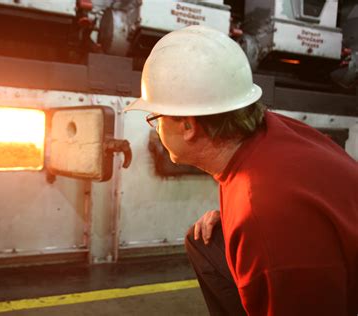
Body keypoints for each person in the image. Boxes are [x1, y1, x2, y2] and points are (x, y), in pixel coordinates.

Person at [124, 25, 358, 316]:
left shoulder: (263, 211)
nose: (154, 126)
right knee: (206, 244)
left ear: (188, 126)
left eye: (154, 116)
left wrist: (252, 221)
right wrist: (234, 217)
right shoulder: (266, 133)